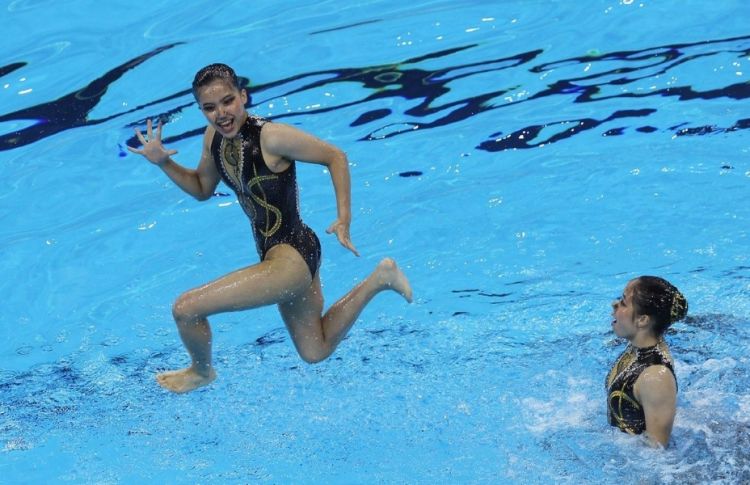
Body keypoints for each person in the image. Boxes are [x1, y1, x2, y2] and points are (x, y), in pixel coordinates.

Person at [127, 63, 413, 394]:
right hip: (289, 253)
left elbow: (335, 156)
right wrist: (164, 161)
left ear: (243, 97)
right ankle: (380, 278)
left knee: (186, 308)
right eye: (209, 107)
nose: (221, 113)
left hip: (291, 259)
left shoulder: (271, 137)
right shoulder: (214, 140)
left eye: (228, 101)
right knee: (314, 350)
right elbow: (202, 188)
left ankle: (201, 372)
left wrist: (344, 218)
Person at [606, 276, 687, 448]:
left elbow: (657, 454)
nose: (614, 304)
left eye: (623, 302)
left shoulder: (655, 377)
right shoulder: (636, 348)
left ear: (642, 320)